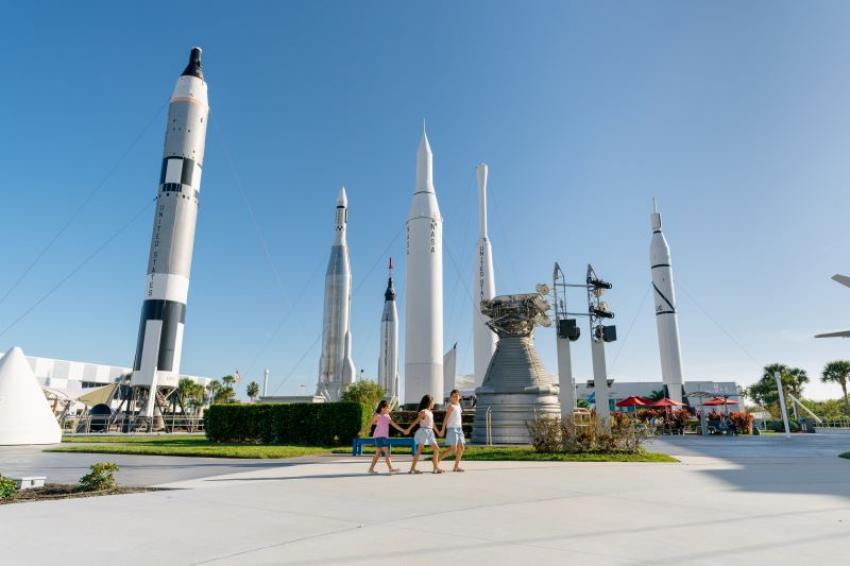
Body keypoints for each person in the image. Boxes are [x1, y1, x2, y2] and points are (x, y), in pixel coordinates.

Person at [405, 394, 444, 474]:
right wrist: (408, 429)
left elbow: (433, 424)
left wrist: (438, 432)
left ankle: (435, 468)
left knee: (435, 449)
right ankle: (413, 469)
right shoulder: (424, 412)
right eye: (433, 401)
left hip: (430, 432)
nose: (434, 403)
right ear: (429, 402)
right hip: (424, 432)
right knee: (421, 450)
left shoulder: (430, 412)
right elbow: (416, 421)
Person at [368, 400, 406, 474]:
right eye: (387, 408)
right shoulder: (377, 415)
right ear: (382, 408)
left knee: (377, 454)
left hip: (384, 437)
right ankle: (391, 469)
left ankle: (371, 469)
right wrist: (363, 430)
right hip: (379, 436)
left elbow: (394, 424)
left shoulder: (387, 416)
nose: (389, 409)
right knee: (386, 452)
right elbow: (371, 423)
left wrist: (403, 430)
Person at [439, 389, 465, 472]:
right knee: (453, 448)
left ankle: (456, 467)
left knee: (461, 447)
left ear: (459, 397)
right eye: (453, 396)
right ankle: (438, 459)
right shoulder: (451, 406)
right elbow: (446, 418)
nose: (455, 397)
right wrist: (442, 429)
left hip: (459, 429)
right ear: (450, 398)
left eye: (457, 396)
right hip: (452, 428)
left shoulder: (458, 405)